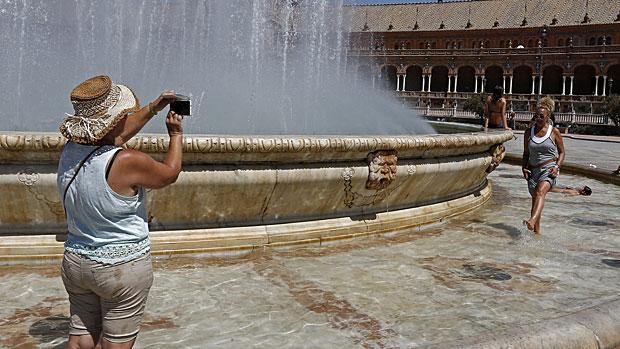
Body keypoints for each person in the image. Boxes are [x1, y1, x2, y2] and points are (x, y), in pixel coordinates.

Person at [57, 75, 183, 349]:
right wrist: (175, 135)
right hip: (120, 268)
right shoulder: (126, 160)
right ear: (113, 120)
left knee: (80, 339)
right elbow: (169, 174)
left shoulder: (69, 151)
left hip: (76, 262)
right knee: (115, 344)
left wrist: (154, 106)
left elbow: (118, 133)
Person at [521, 106, 565, 234]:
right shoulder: (528, 132)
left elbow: (562, 153)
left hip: (549, 169)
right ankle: (537, 233)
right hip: (533, 171)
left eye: (542, 116)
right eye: (537, 116)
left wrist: (557, 167)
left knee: (540, 192)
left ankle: (532, 220)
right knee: (535, 202)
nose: (539, 118)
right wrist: (523, 167)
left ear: (548, 117)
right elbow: (525, 153)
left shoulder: (554, 132)